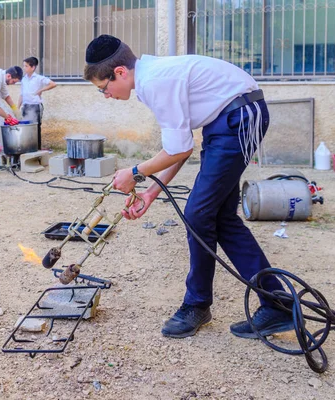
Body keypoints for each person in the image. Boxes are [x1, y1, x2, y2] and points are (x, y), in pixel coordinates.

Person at [83, 35, 294, 339]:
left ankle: (198, 304)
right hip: (226, 122)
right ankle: (275, 304)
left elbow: (179, 150)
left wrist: (134, 172)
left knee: (198, 215)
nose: (106, 95)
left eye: (104, 88)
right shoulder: (149, 79)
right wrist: (152, 191)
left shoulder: (155, 81)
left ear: (119, 73)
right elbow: (179, 146)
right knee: (219, 217)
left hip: (238, 118)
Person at [18, 57, 56, 149]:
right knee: (26, 126)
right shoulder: (23, 79)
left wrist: (41, 90)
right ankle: (27, 146)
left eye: (26, 66)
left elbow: (53, 84)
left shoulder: (39, 78)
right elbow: (21, 94)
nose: (24, 68)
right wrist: (17, 107)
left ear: (33, 67)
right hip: (26, 106)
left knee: (36, 127)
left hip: (35, 106)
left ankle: (37, 148)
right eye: (24, 66)